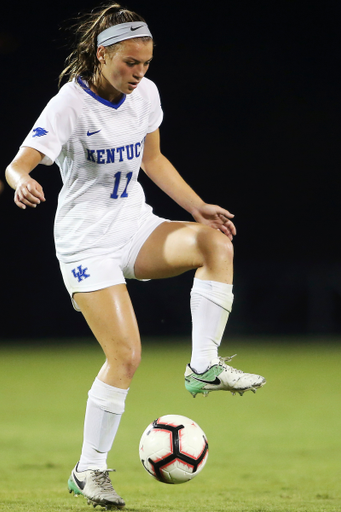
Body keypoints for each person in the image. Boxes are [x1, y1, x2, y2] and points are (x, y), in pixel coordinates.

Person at [6, 4, 266, 510]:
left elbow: (153, 159)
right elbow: (18, 165)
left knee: (215, 241)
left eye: (146, 63)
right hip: (85, 244)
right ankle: (90, 471)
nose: (139, 73)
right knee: (125, 357)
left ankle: (204, 366)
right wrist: (23, 184)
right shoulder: (69, 105)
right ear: (102, 55)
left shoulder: (145, 94)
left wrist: (197, 207)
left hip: (134, 226)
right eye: (130, 63)